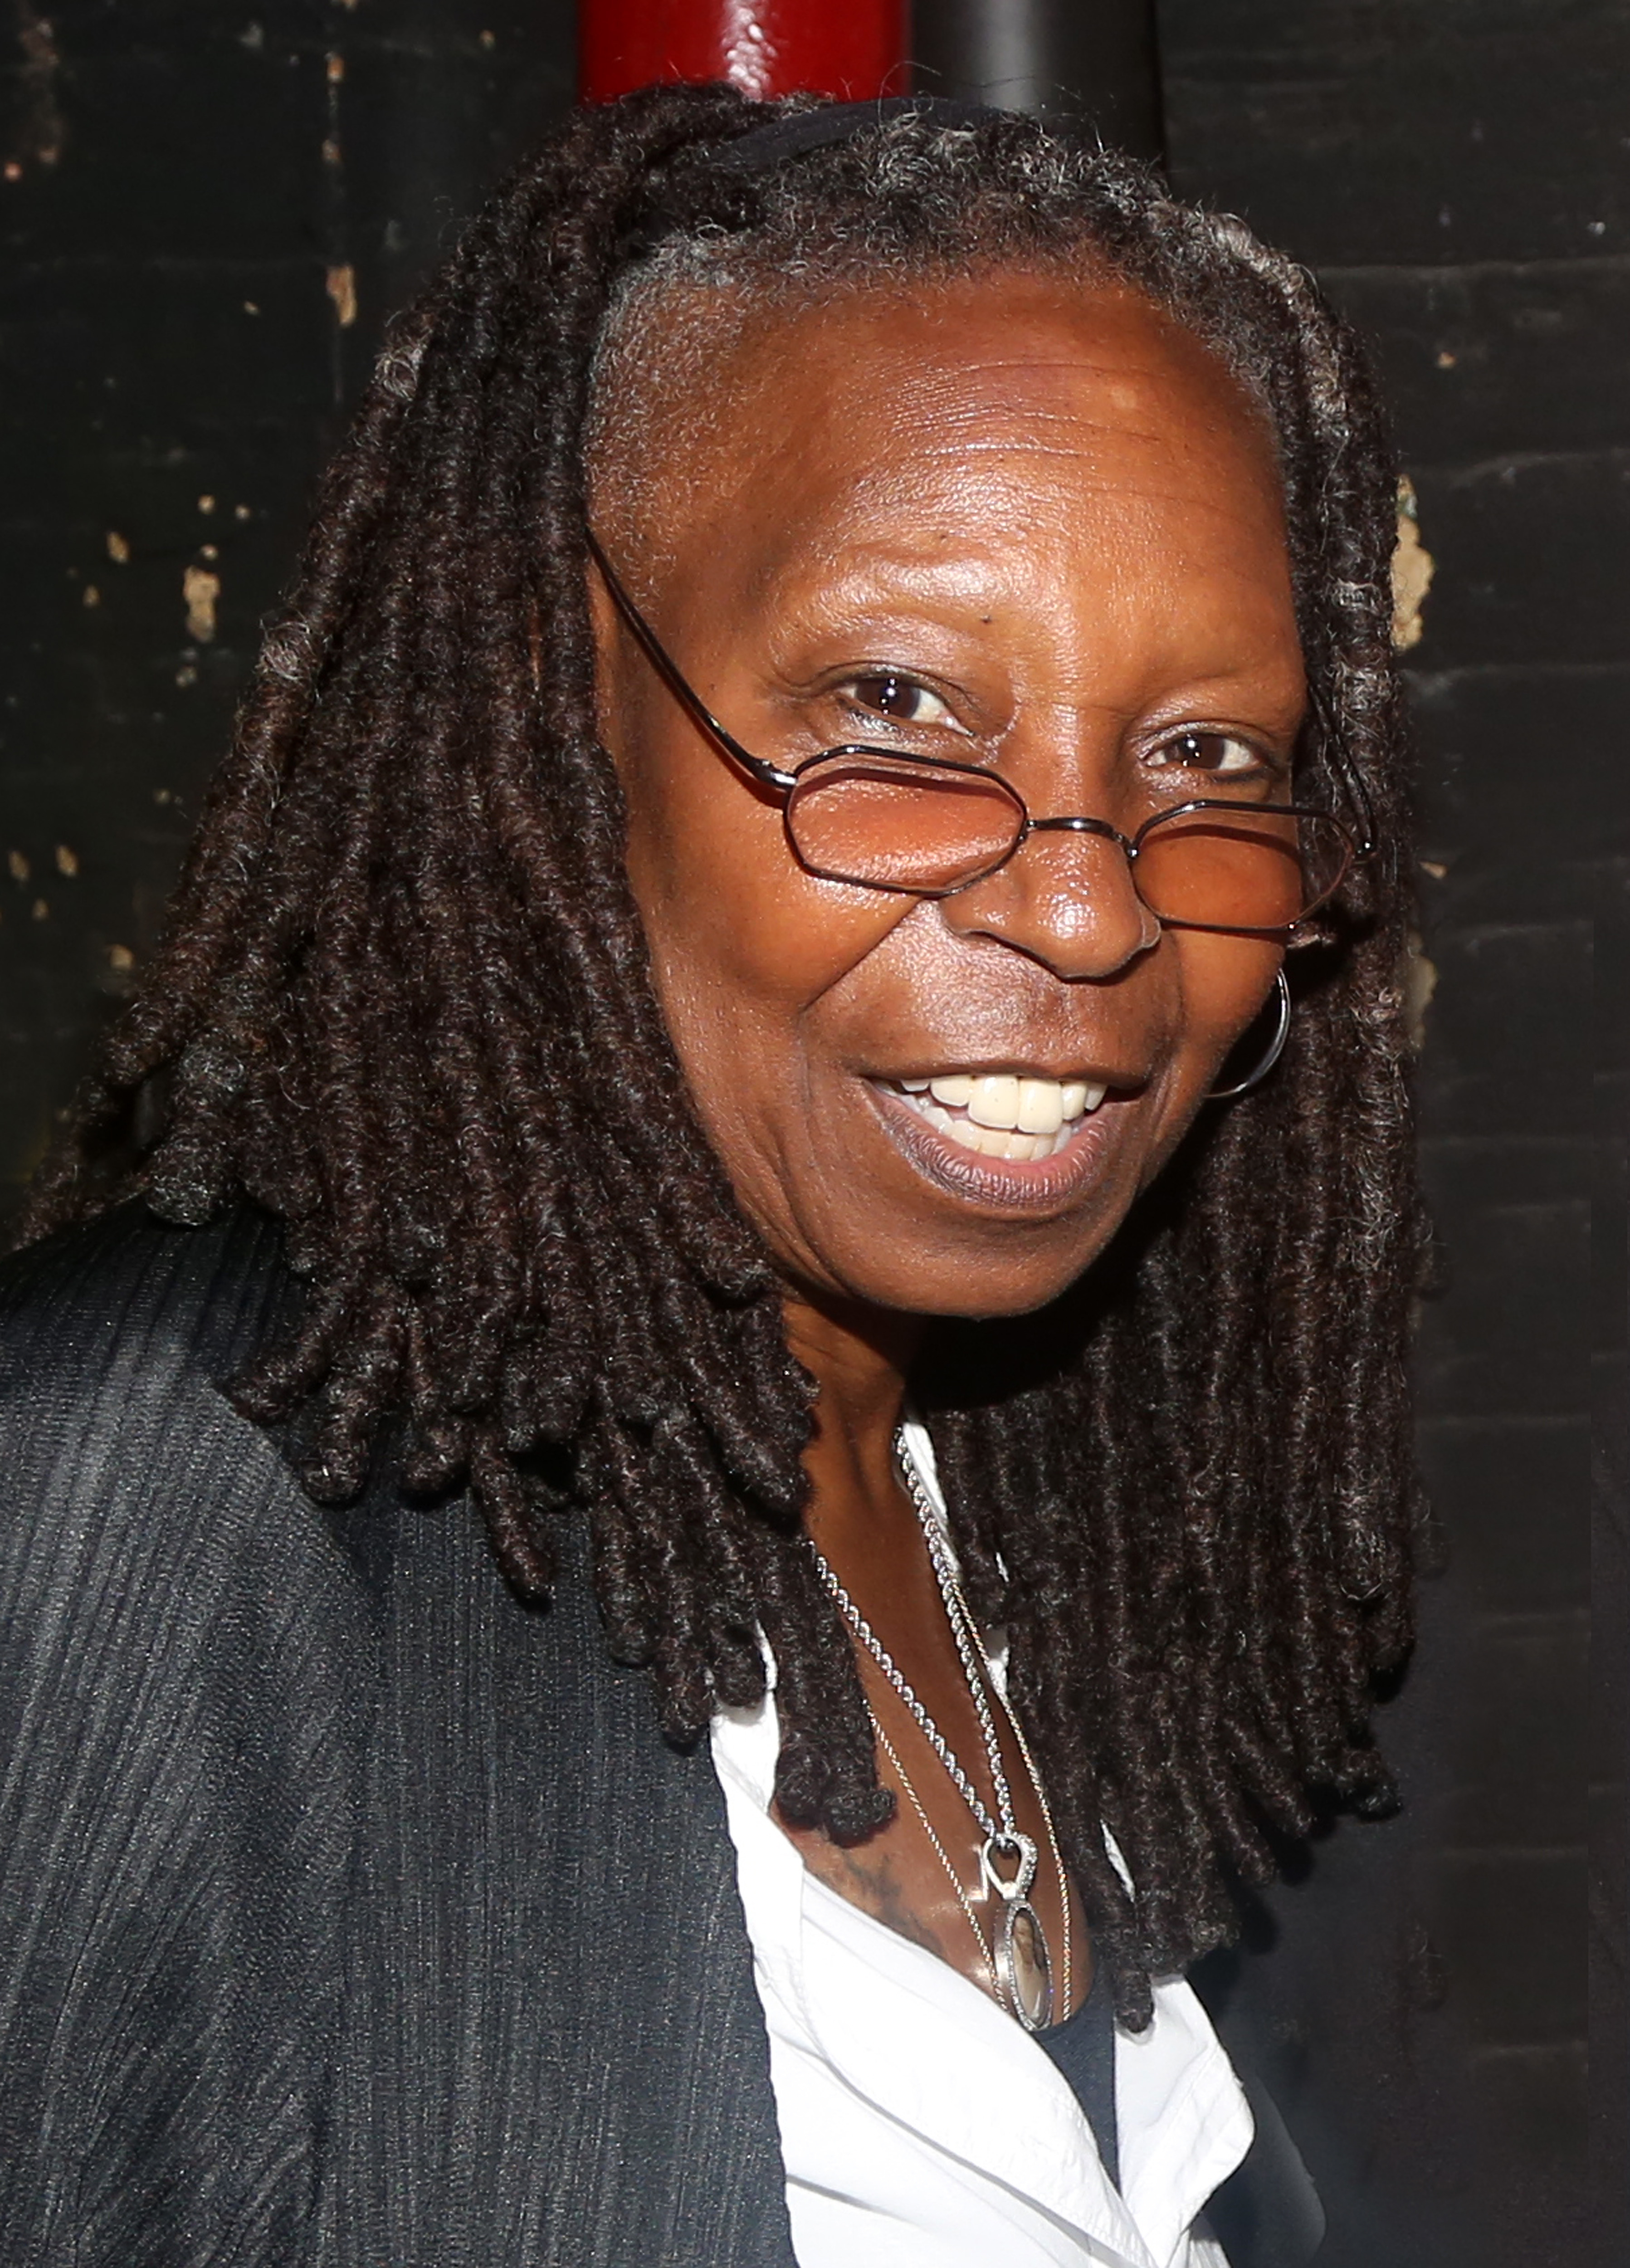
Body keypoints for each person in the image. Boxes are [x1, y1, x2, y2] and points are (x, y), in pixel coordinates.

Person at [0, 87, 1422, 2268]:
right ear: (558, 723)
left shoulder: (1091, 1531)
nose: (1082, 912)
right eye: (891, 708)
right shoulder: (168, 1490)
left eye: (1203, 757)